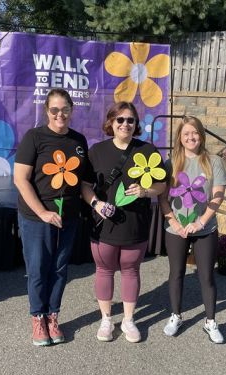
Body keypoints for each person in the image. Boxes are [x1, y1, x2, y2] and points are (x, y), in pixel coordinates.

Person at [13, 88, 93, 346]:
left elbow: (81, 181)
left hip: (68, 218)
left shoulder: (79, 140)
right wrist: (43, 213)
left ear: (72, 109)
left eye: (65, 109)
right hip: (37, 217)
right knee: (38, 269)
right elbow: (20, 180)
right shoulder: (34, 137)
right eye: (54, 110)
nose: (60, 114)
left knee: (59, 269)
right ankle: (37, 317)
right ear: (47, 111)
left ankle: (52, 316)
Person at [82, 102, 166, 343]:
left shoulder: (148, 150)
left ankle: (129, 320)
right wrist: (96, 204)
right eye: (120, 120)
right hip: (104, 224)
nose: (125, 124)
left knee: (131, 270)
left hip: (135, 223)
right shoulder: (97, 151)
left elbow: (162, 184)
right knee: (104, 270)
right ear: (111, 122)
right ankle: (106, 319)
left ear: (136, 124)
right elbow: (85, 186)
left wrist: (146, 191)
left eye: (130, 120)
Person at [157, 116, 226, 344]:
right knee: (176, 273)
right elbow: (162, 198)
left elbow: (218, 195)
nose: (191, 137)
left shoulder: (213, 161)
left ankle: (210, 321)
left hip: (205, 229)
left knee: (207, 276)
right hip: (176, 230)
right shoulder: (171, 163)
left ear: (202, 135)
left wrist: (201, 222)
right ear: (179, 137)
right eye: (186, 133)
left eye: (195, 133)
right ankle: (175, 316)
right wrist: (175, 224)